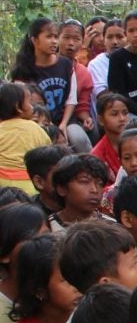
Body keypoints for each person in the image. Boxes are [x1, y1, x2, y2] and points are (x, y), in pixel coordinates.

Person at [10, 17, 88, 152]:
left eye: (56, 37)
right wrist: (45, 124)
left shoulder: (65, 64)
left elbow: (71, 99)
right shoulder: (23, 71)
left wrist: (63, 124)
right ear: (34, 40)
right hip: (35, 121)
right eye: (49, 36)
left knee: (78, 138)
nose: (54, 41)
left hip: (65, 119)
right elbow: (23, 106)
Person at [0, 203, 47, 323]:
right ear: (4, 255)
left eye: (47, 237)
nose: (44, 247)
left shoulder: (56, 294)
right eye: (33, 240)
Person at [0, 83, 51, 193]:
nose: (32, 107)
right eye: (29, 102)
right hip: (28, 183)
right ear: (18, 107)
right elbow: (47, 152)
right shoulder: (34, 128)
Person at [48, 154, 112, 233]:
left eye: (100, 183)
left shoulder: (112, 228)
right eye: (84, 181)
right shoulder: (47, 229)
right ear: (62, 188)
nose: (94, 190)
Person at [90, 92, 131, 179]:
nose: (122, 118)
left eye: (125, 113)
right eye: (114, 114)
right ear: (101, 120)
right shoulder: (97, 155)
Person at [25, 144, 72, 218]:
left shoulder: (87, 208)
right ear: (39, 182)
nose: (70, 180)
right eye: (62, 175)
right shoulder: (29, 218)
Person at [87, 19, 126, 98]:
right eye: (109, 37)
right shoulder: (96, 65)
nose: (114, 42)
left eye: (119, 37)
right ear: (104, 40)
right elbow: (103, 97)